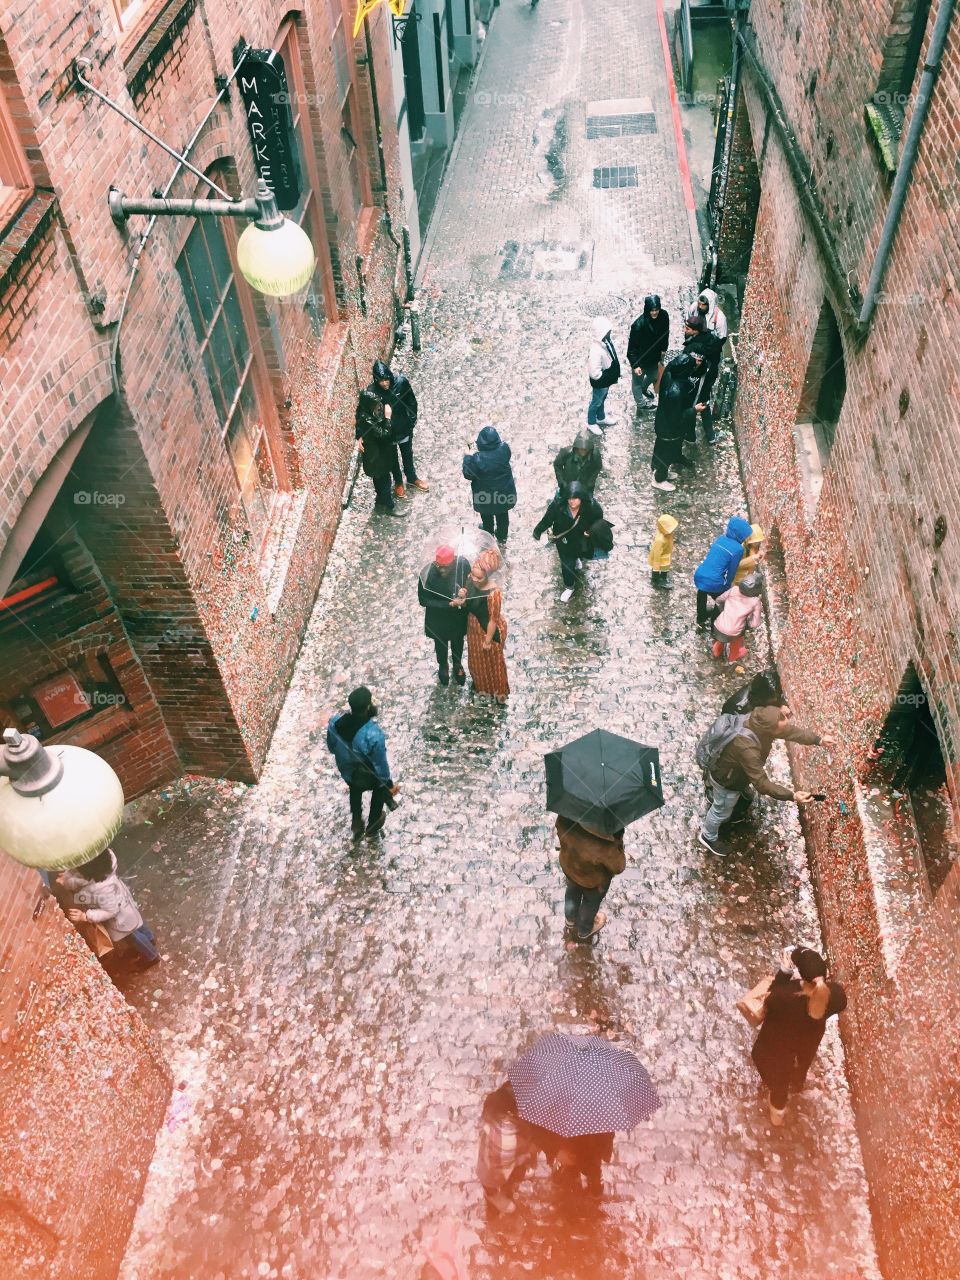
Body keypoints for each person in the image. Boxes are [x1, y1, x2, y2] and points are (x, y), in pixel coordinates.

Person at [698, 705, 833, 856]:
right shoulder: (747, 748)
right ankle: (707, 836)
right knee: (721, 811)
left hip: (737, 772)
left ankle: (732, 812)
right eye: (780, 730)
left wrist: (818, 740)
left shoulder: (760, 721)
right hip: (726, 780)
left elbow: (791, 732)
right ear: (769, 730)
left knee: (745, 797)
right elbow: (762, 784)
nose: (784, 731)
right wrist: (792, 795)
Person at [751, 946, 847, 1127]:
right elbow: (839, 1003)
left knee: (777, 1087)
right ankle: (796, 1086)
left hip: (775, 1051)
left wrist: (784, 972)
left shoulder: (784, 995)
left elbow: (769, 999)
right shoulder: (832, 995)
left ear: (801, 973)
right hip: (803, 1052)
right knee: (797, 1073)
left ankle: (776, 1120)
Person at [57, 849, 160, 965]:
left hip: (120, 919)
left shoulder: (101, 888)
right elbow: (80, 878)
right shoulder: (102, 860)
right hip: (124, 906)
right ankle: (149, 938)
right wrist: (67, 877)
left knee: (133, 936)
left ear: (87, 871)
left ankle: (151, 956)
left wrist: (86, 916)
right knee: (137, 924)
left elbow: (111, 911)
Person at [326, 686, 399, 836]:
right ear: (368, 706)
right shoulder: (373, 734)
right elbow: (381, 767)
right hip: (367, 777)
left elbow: (332, 748)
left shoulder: (334, 723)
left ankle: (357, 821)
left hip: (348, 773)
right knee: (381, 786)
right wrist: (388, 784)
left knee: (355, 788)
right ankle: (373, 822)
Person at [556, 814, 625, 942]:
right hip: (594, 881)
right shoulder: (606, 841)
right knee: (590, 904)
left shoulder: (566, 817)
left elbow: (559, 831)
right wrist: (619, 843)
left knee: (572, 893)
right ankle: (584, 930)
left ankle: (570, 920)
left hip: (571, 868)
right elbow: (618, 867)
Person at [533, 481, 604, 603]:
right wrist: (538, 531)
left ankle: (577, 559)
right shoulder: (558, 506)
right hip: (565, 542)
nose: (572, 501)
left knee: (579, 554)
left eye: (575, 498)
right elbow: (547, 519)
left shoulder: (591, 506)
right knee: (566, 565)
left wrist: (591, 531)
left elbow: (599, 519)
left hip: (582, 539)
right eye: (570, 498)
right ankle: (569, 587)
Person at [371, 358, 429, 498]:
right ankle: (398, 482)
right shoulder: (372, 392)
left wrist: (412, 420)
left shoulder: (401, 383)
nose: (384, 383)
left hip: (404, 428)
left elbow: (411, 401)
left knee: (407, 453)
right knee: (393, 459)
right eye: (381, 381)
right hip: (388, 433)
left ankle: (411, 477)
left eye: (386, 380)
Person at [476, 1081, 535, 1214]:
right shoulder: (505, 1139)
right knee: (494, 1171)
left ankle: (516, 1168)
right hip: (496, 1160)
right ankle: (491, 1194)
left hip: (512, 1135)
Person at [418, 546, 471, 685]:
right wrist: (447, 604)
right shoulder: (427, 573)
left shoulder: (463, 565)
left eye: (445, 567)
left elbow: (471, 582)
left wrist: (465, 591)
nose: (442, 570)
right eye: (439, 566)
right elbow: (423, 600)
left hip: (458, 615)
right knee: (440, 643)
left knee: (457, 640)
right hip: (438, 617)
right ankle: (443, 664)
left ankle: (457, 663)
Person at [355, 388, 409, 518]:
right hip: (376, 456)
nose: (378, 406)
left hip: (378, 453)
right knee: (384, 480)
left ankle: (381, 500)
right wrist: (388, 418)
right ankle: (388, 506)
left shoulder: (365, 412)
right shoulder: (366, 419)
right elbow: (383, 434)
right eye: (375, 404)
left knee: (380, 480)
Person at [693, 516, 753, 627]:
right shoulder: (738, 549)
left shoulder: (721, 539)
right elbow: (732, 570)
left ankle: (701, 616)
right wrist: (727, 585)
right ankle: (714, 624)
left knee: (702, 591)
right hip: (714, 581)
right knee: (723, 600)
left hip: (699, 574)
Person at [465, 550, 509, 698]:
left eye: (479, 577)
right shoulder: (470, 580)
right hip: (473, 629)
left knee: (490, 665)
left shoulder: (493, 593)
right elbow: (469, 600)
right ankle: (480, 685)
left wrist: (488, 640)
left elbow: (493, 620)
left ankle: (495, 692)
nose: (474, 579)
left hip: (487, 632)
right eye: (473, 574)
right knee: (476, 662)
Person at [462, 426, 516, 542]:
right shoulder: (505, 449)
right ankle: (502, 537)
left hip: (485, 497)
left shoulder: (477, 459)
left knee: (486, 517)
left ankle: (489, 535)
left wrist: (468, 456)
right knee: (503, 516)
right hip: (504, 495)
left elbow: (468, 474)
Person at [627, 294, 670, 411]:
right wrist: (635, 365)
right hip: (641, 359)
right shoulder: (638, 325)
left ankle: (644, 389)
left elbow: (665, 335)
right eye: (652, 310)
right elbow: (631, 349)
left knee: (654, 375)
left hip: (654, 357)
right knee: (637, 383)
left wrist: (663, 351)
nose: (654, 312)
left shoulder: (664, 316)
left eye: (656, 310)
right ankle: (641, 404)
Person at [710, 572, 763, 663]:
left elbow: (719, 600)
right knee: (738, 636)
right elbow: (755, 624)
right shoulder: (755, 601)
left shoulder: (734, 590)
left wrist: (724, 611)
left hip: (718, 626)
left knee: (720, 640)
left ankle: (716, 654)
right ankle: (734, 656)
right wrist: (747, 623)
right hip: (734, 632)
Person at [650, 378, 689, 491]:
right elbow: (677, 416)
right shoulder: (674, 393)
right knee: (667, 454)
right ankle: (659, 479)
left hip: (663, 428)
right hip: (668, 431)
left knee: (662, 452)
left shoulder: (669, 384)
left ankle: (660, 472)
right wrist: (693, 410)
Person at [586, 315, 620, 433]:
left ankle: (600, 417)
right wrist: (606, 378)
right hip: (601, 382)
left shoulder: (604, 343)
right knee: (596, 401)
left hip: (605, 381)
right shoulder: (596, 350)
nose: (609, 333)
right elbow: (594, 373)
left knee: (602, 399)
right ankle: (591, 422)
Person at [553, 430, 602, 495]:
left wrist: (590, 482)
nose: (583, 451)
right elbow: (557, 465)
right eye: (580, 448)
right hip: (568, 484)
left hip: (586, 486)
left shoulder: (595, 455)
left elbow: (597, 467)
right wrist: (561, 481)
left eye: (586, 449)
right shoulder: (566, 452)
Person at [648, 513, 678, 588]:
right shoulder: (660, 540)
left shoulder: (667, 534)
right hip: (661, 558)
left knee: (665, 568)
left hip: (666, 555)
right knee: (661, 568)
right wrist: (656, 568)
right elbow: (657, 556)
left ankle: (662, 577)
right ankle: (657, 580)